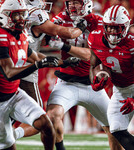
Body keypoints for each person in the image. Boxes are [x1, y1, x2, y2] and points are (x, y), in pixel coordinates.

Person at [57, 5, 134, 150]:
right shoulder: (95, 38)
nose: (112, 32)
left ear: (125, 27)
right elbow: (94, 65)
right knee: (116, 129)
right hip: (120, 90)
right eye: (109, 27)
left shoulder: (133, 42)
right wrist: (96, 79)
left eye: (116, 28)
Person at [46, 0, 123, 150]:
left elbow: (91, 55)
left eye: (77, 2)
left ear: (87, 4)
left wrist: (63, 46)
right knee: (52, 117)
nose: (72, 6)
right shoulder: (60, 19)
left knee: (116, 128)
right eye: (70, 2)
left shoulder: (99, 22)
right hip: (66, 83)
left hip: (92, 86)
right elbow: (43, 38)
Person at [0, 0, 64, 149]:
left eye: (23, 14)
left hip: (14, 94)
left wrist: (64, 63)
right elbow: (9, 73)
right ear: (3, 16)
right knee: (8, 146)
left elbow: (36, 57)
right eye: (17, 15)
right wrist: (37, 66)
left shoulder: (21, 34)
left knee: (46, 124)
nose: (22, 19)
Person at [13, 0, 85, 140]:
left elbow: (35, 53)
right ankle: (10, 135)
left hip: (12, 64)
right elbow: (66, 33)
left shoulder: (17, 13)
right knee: (40, 121)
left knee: (7, 111)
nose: (44, 2)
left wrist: (62, 62)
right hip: (25, 69)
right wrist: (81, 29)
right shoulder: (36, 14)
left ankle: (4, 135)